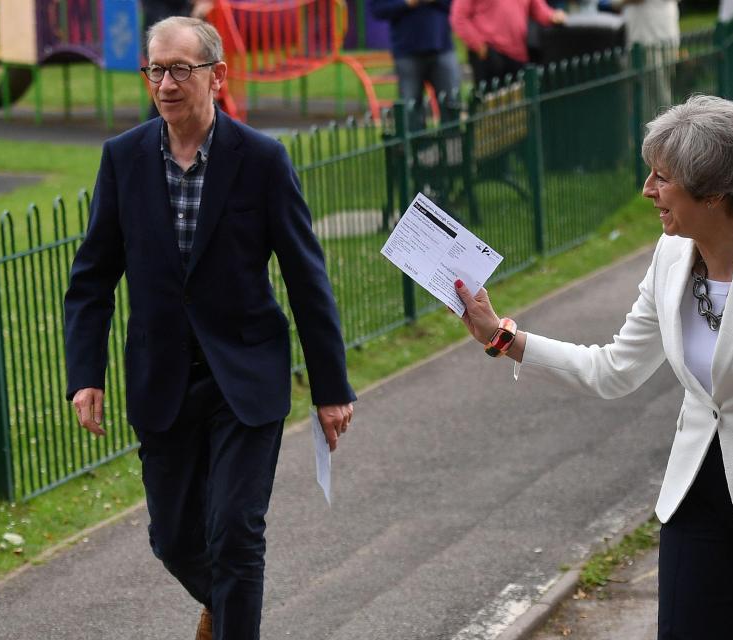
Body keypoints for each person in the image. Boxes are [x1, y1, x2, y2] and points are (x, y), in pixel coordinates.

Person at [454, 95, 733, 639]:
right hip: (699, 500)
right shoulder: (671, 254)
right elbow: (615, 369)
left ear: (715, 192)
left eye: (661, 178)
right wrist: (503, 338)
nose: (647, 191)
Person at [64, 16, 355, 640]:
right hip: (162, 377)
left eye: (181, 69)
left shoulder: (262, 161)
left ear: (217, 76)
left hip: (245, 378)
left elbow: (308, 281)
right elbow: (92, 278)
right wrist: (85, 375)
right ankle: (227, 609)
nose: (166, 84)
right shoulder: (123, 160)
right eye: (155, 70)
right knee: (172, 539)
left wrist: (331, 388)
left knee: (236, 532)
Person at [371, 0, 461, 129]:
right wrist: (406, 3)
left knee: (451, 103)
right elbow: (377, 9)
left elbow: (458, 5)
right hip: (407, 52)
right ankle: (416, 147)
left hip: (442, 47)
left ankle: (452, 144)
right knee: (410, 109)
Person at [450, 0, 567, 89]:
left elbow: (539, 9)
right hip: (489, 55)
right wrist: (479, 46)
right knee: (491, 112)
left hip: (518, 55)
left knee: (518, 111)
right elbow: (459, 18)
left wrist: (553, 15)